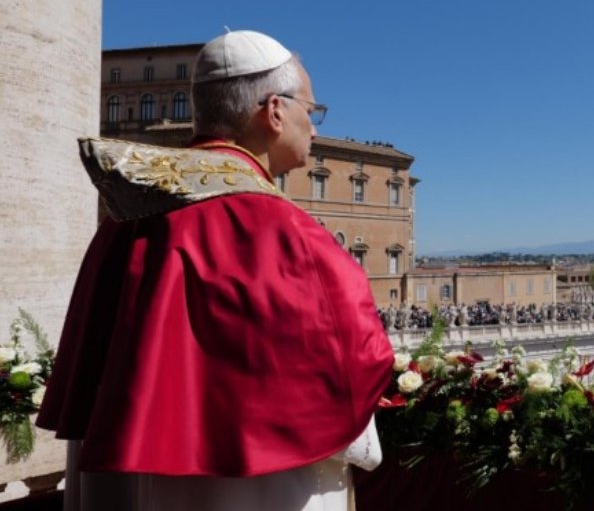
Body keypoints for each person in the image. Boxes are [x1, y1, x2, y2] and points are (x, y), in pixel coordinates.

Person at [37, 30, 394, 511]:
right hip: (256, 484)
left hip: (127, 473)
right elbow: (357, 357)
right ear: (273, 111)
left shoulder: (127, 217)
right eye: (311, 111)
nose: (314, 127)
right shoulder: (282, 228)